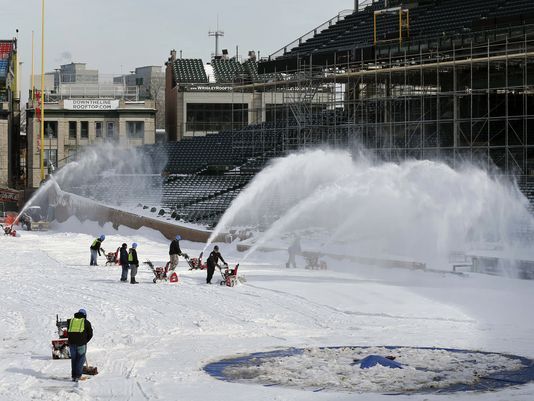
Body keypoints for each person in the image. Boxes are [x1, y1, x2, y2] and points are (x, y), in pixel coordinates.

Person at [67, 308, 93, 382]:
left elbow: (69, 332)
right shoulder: (86, 322)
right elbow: (90, 334)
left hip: (72, 344)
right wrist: (85, 341)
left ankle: (74, 376)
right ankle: (78, 376)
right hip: (81, 344)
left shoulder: (70, 321)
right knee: (81, 359)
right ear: (84, 315)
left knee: (74, 360)